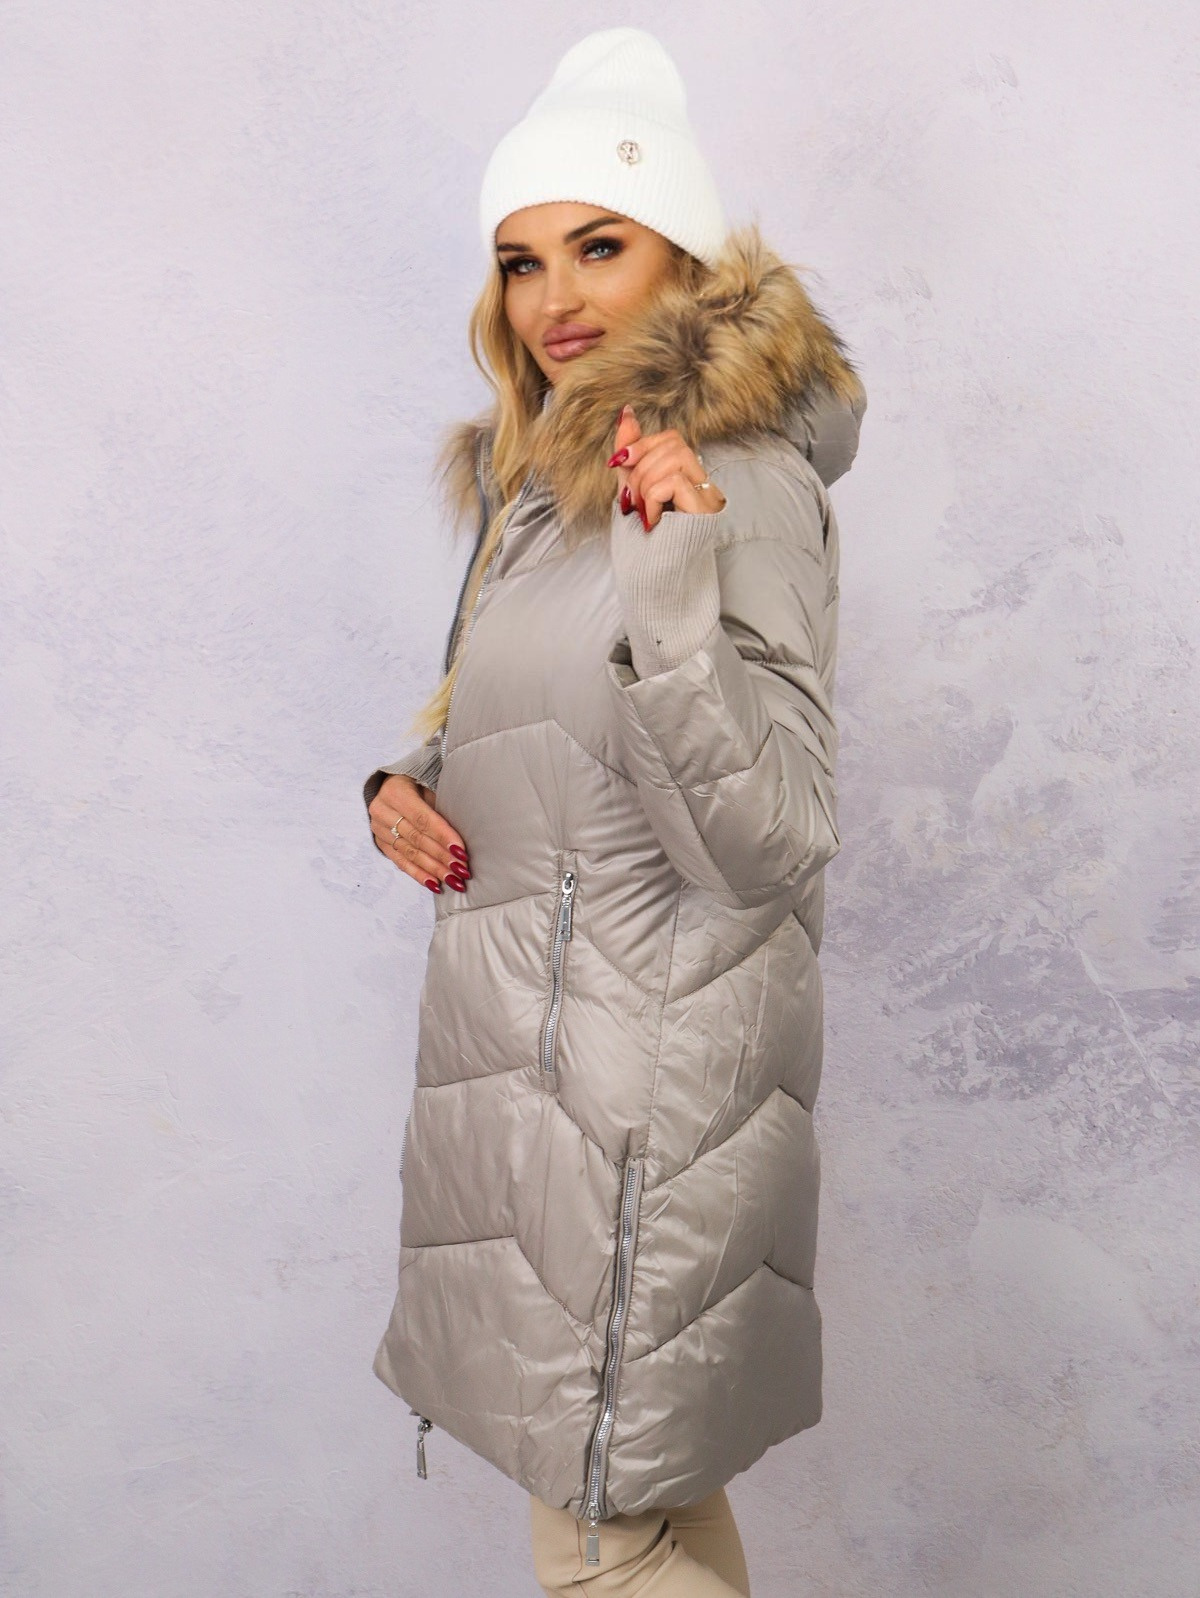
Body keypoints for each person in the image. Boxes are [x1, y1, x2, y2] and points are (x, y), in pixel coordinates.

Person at [362, 27, 867, 1597]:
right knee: (644, 1510)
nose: (554, 298)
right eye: (521, 262)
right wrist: (405, 784)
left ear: (686, 261)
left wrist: (673, 590)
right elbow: (537, 713)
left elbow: (767, 832)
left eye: (599, 246)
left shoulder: (737, 480)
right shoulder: (545, 477)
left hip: (643, 1097)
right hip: (548, 1085)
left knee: (598, 1544)